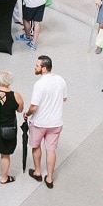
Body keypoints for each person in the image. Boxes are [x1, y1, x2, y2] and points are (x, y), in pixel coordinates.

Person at [25, 56, 67, 188]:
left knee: (36, 146)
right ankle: (49, 178)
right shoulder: (60, 80)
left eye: (37, 65)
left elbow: (34, 107)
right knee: (51, 150)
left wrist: (27, 114)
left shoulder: (39, 85)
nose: (35, 67)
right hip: (56, 123)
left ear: (43, 68)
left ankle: (37, 171)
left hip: (39, 123)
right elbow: (64, 98)